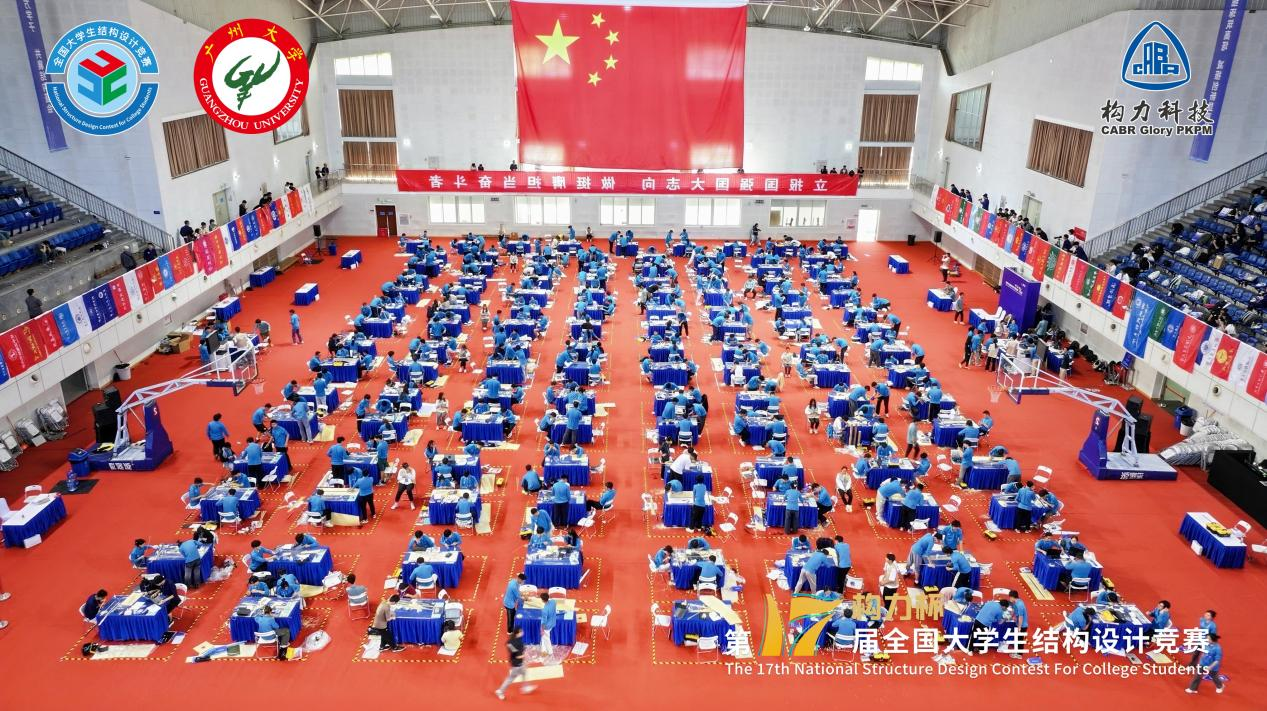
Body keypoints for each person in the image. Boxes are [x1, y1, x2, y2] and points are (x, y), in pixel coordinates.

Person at [494, 626, 535, 699]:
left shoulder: (511, 640)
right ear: (518, 633)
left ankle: (525, 687)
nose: (523, 632)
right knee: (510, 678)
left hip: (513, 661)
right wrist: (527, 655)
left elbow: (511, 648)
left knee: (524, 672)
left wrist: (519, 650)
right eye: (521, 631)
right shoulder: (519, 643)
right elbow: (519, 656)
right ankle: (500, 691)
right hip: (518, 664)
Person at [538, 591, 558, 658]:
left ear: (542, 600)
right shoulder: (553, 602)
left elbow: (544, 621)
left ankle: (550, 652)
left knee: (546, 638)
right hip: (553, 622)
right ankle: (544, 650)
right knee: (544, 637)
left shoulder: (545, 610)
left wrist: (542, 629)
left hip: (547, 626)